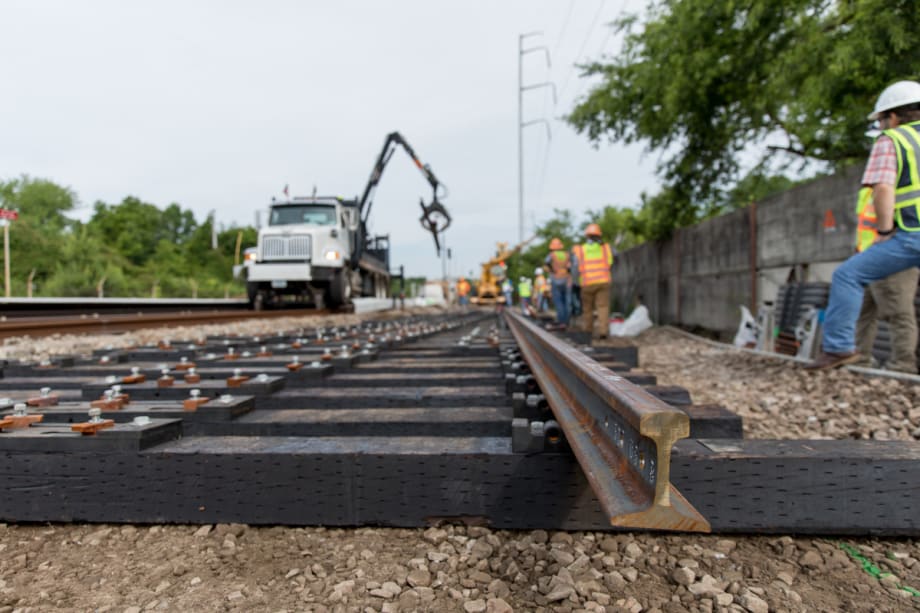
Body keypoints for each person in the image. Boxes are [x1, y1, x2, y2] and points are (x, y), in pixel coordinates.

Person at [807, 80, 920, 369]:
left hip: (910, 236)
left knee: (847, 276)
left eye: (882, 120)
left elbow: (883, 188)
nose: (882, 126)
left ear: (892, 116)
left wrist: (884, 231)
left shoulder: (892, 140)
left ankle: (838, 348)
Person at [852, 186, 919, 372]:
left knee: (898, 312)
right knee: (862, 312)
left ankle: (903, 365)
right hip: (867, 257)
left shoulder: (900, 182)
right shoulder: (868, 189)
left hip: (894, 257)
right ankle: (859, 359)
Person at [572, 223, 614, 339]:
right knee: (603, 307)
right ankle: (603, 331)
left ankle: (588, 331)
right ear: (599, 235)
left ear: (587, 236)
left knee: (587, 309)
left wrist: (576, 283)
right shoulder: (606, 248)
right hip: (603, 281)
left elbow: (575, 268)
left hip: (587, 283)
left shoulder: (580, 250)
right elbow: (610, 263)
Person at [544, 237, 572, 328]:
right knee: (566, 301)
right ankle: (567, 321)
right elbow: (570, 266)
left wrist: (552, 270)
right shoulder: (567, 254)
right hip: (566, 279)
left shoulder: (552, 255)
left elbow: (546, 262)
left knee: (558, 301)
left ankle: (561, 321)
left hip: (556, 279)